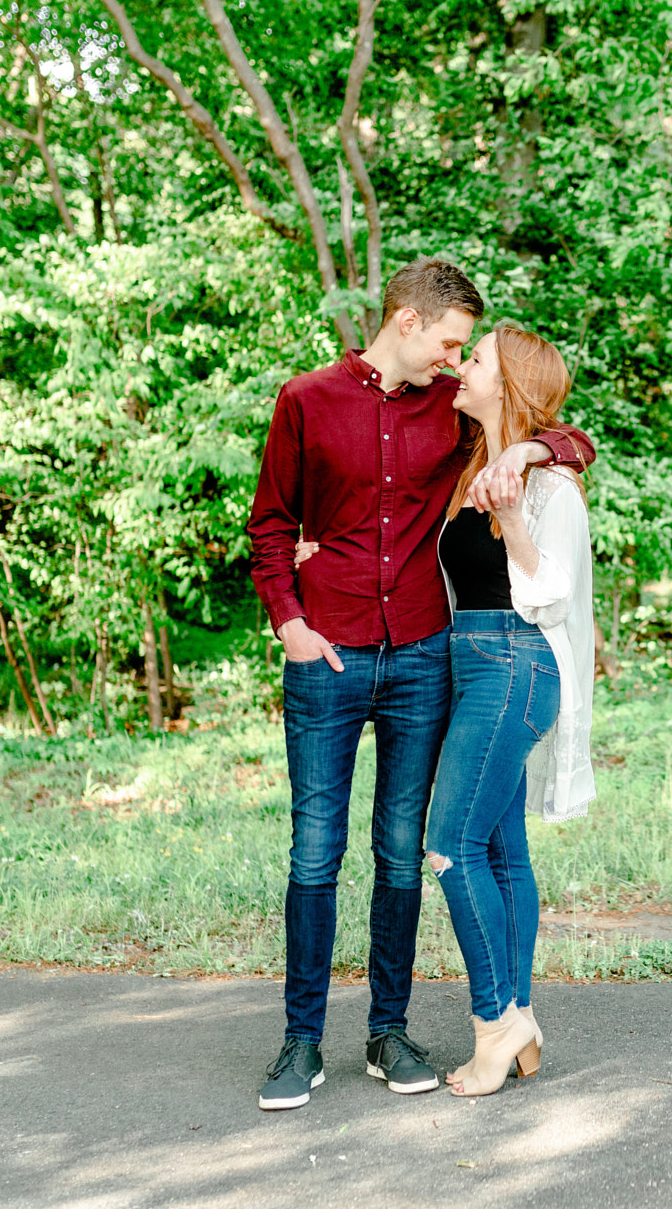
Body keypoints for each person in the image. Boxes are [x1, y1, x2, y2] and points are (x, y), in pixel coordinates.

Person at [245, 258, 593, 1110]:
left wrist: (531, 445)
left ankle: (388, 1030)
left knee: (404, 852)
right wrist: (290, 621)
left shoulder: (457, 409)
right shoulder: (306, 400)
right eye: (450, 340)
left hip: (426, 660)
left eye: (465, 349)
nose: (455, 356)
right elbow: (269, 526)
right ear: (406, 320)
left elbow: (568, 438)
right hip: (325, 653)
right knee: (314, 853)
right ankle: (300, 1042)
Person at [424, 322, 596, 1097]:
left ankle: (495, 1025)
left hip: (516, 664)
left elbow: (551, 595)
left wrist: (518, 511)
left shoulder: (549, 485)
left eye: (477, 359)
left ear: (510, 382)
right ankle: (521, 1014)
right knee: (500, 851)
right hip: (472, 664)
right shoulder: (471, 466)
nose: (461, 367)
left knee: (450, 844)